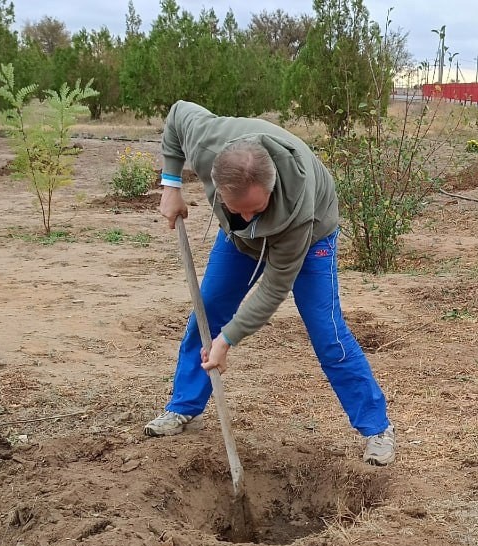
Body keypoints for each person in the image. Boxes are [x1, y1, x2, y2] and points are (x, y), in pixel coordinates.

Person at [144, 100, 396, 466]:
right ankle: (184, 408)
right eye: (236, 208)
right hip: (238, 241)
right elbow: (177, 114)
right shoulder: (208, 141)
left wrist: (227, 340)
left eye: (255, 209)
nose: (246, 215)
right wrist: (171, 184)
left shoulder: (298, 204)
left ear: (271, 186)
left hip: (311, 237)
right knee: (209, 308)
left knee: (327, 333)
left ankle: (377, 429)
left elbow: (274, 287)